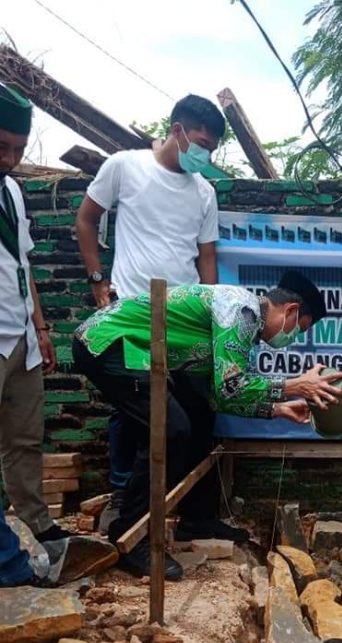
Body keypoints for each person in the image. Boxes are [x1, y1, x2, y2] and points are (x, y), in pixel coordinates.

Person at [72, 270, 342, 580]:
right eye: (299, 329)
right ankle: (131, 534)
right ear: (291, 311)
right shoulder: (241, 311)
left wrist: (277, 409)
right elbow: (231, 386)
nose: (292, 338)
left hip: (140, 350)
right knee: (171, 430)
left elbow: (220, 396)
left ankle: (197, 519)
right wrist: (294, 385)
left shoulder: (245, 325)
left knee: (201, 415)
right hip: (111, 341)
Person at [75, 94, 228, 533]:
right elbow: (86, 220)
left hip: (183, 321)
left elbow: (206, 258)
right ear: (177, 130)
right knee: (132, 411)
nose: (205, 156)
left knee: (197, 408)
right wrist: (97, 280)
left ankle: (197, 515)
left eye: (212, 149)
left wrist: (210, 314)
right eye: (202, 144)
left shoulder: (204, 192)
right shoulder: (125, 167)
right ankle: (124, 503)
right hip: (132, 315)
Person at [0, 82, 71, 560]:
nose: (9, 159)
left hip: (20, 334)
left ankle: (34, 522)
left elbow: (24, 265)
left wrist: (40, 329)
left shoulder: (12, 191)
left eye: (18, 149)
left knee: (24, 438)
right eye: (1, 147)